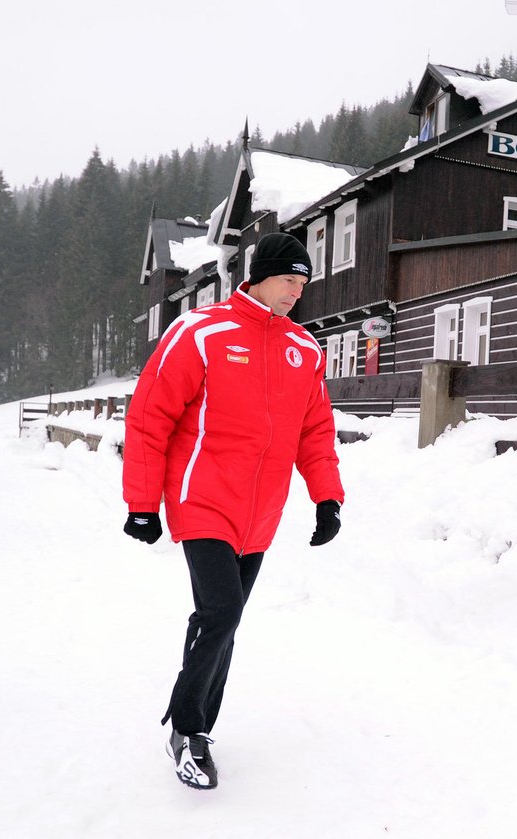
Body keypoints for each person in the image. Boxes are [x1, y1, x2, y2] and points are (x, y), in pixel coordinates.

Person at [122, 232, 345, 790]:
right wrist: (143, 505)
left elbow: (315, 433)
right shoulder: (199, 332)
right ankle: (189, 729)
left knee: (223, 620)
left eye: (303, 283)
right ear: (260, 275)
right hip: (203, 499)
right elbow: (150, 419)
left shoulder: (305, 350)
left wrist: (327, 497)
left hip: (261, 512)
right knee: (221, 613)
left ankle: (195, 722)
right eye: (289, 279)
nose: (297, 291)